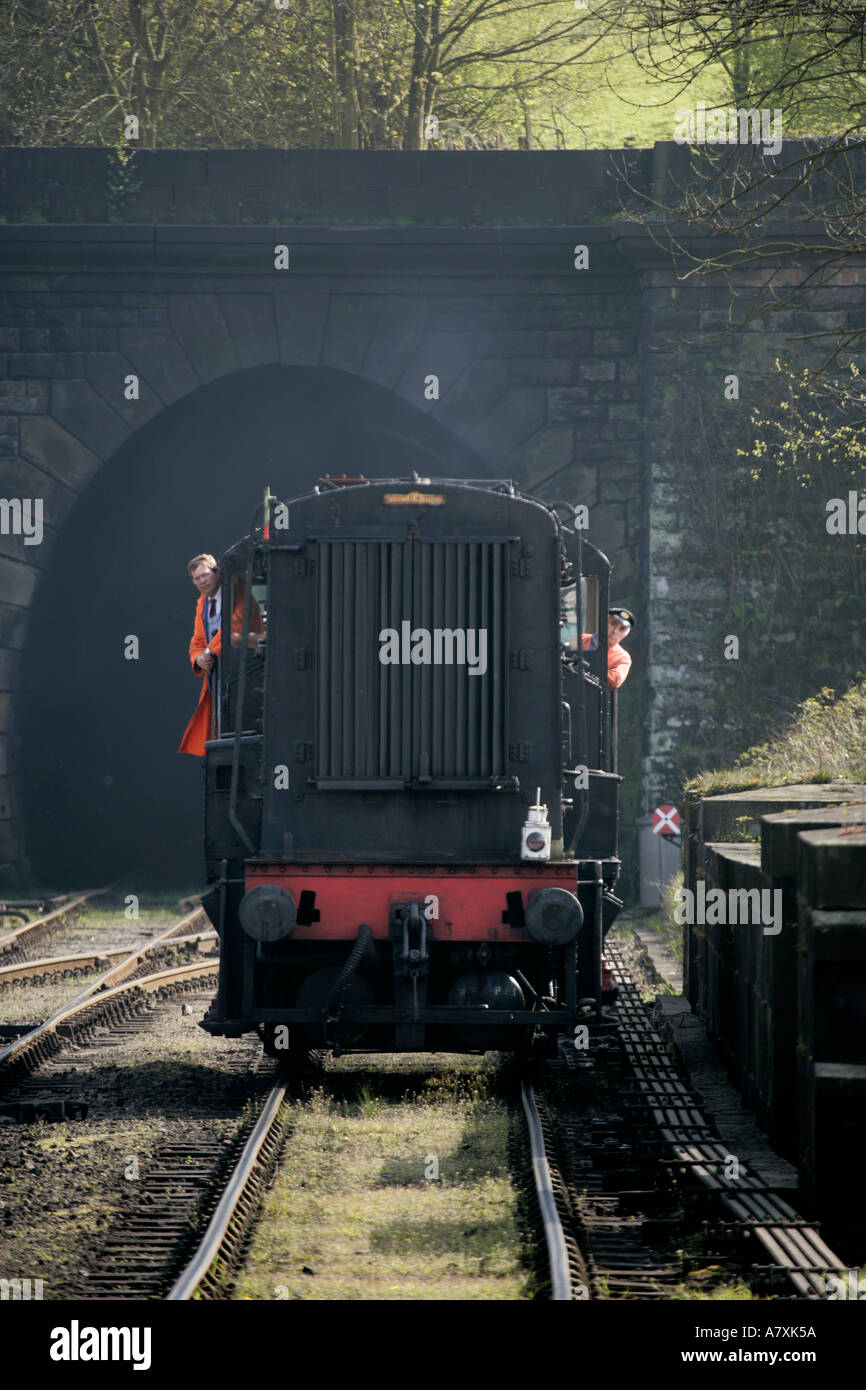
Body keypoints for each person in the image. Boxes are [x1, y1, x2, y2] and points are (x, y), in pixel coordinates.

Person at [178, 553, 265, 757]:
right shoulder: (203, 604)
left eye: (204, 575)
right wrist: (199, 658)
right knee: (218, 724)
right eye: (196, 578)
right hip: (219, 678)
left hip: (247, 672)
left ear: (217, 573)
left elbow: (232, 627)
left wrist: (208, 653)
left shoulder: (240, 596)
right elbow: (197, 640)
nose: (201, 581)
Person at [579, 607, 634, 690]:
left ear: (625, 635)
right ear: (603, 622)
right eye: (613, 623)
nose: (615, 631)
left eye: (621, 629)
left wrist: (586, 669)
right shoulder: (580, 639)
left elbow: (616, 679)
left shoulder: (623, 657)